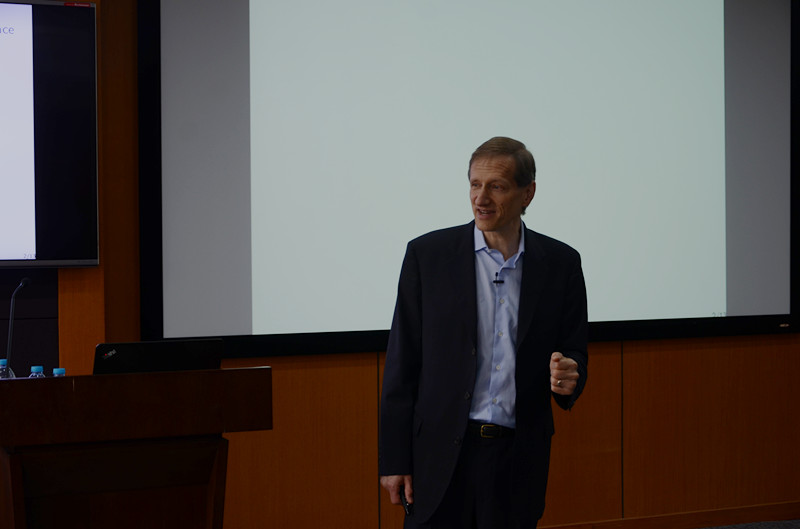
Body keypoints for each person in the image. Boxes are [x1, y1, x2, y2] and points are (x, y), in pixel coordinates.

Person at [379, 136, 588, 528]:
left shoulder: (561, 264)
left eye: (497, 186)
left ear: (528, 193)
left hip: (516, 460)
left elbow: (574, 351)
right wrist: (394, 460)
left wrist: (568, 375)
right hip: (438, 457)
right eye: (475, 184)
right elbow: (401, 363)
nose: (481, 198)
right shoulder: (428, 256)